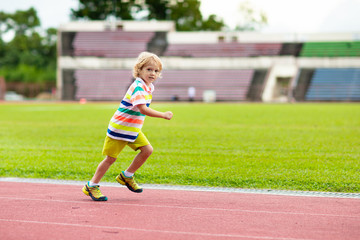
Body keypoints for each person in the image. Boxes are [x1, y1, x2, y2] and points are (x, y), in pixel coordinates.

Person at [82, 52, 173, 201]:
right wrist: (163, 114)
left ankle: (126, 176)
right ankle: (91, 185)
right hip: (120, 129)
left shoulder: (148, 87)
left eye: (156, 71)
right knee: (110, 159)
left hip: (132, 129)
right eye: (149, 69)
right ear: (139, 70)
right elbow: (143, 109)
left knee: (147, 150)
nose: (153, 73)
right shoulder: (138, 87)